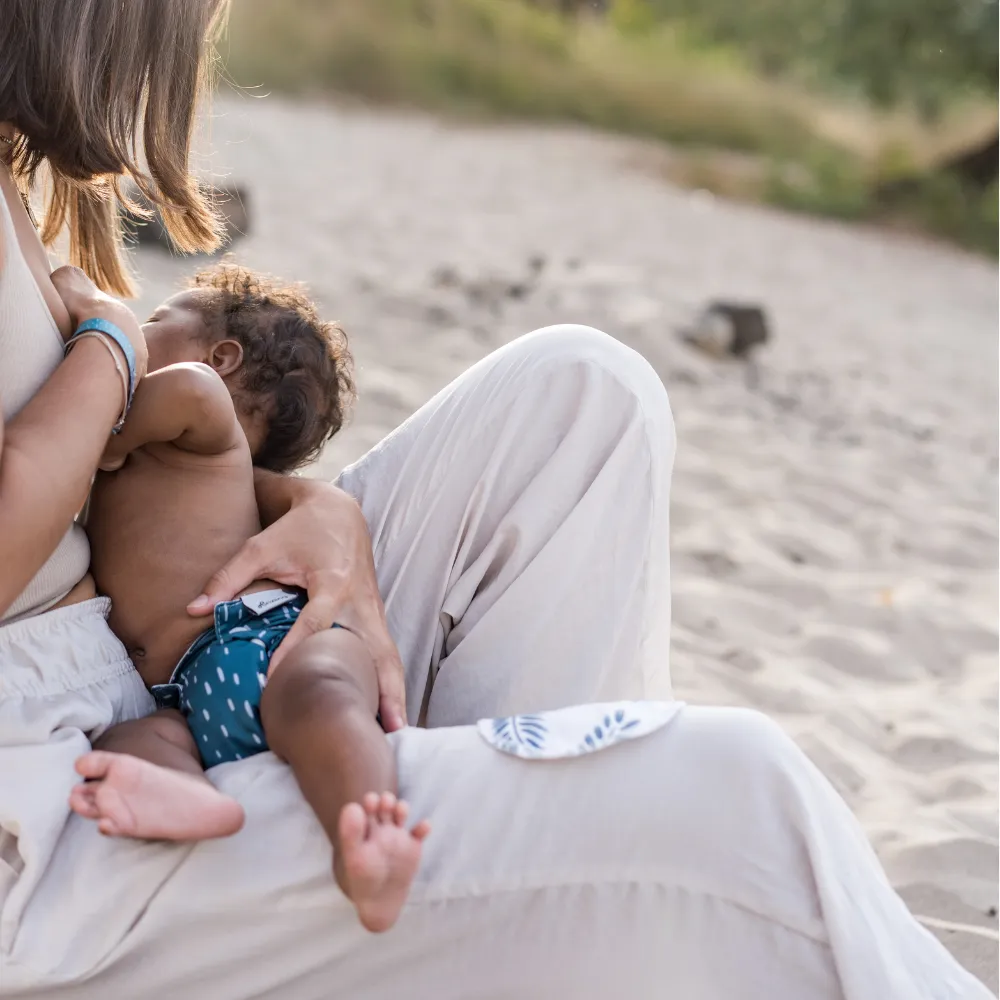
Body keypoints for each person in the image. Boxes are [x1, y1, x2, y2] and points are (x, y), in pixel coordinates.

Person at [0, 2, 990, 997]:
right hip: (45, 779)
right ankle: (469, 860)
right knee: (740, 803)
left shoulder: (18, 168)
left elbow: (135, 462)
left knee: (583, 394)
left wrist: (305, 506)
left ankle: (456, 868)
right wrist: (113, 345)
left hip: (146, 638)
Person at [69, 262, 429, 932]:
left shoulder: (196, 402)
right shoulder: (184, 467)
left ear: (221, 357)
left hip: (264, 634)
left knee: (323, 695)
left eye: (155, 322)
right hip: (179, 691)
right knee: (135, 740)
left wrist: (100, 338)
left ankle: (369, 833)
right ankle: (189, 797)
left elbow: (112, 422)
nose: (142, 331)